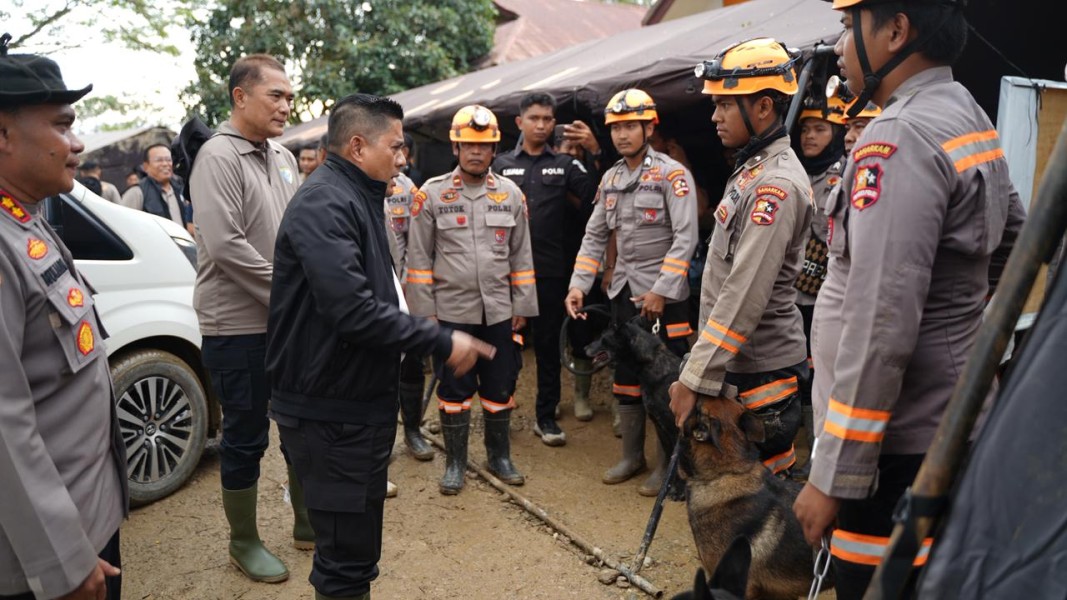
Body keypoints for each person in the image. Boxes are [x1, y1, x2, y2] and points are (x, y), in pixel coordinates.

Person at [791, 1, 1026, 597]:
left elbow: (880, 321)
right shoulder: (965, 113)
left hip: (894, 452)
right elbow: (1015, 235)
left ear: (896, 30)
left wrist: (833, 477)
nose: (841, 46)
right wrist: (956, 317)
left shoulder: (897, 136)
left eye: (849, 28)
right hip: (946, 423)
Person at [267, 93, 492, 600]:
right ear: (357, 145)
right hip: (331, 411)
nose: (404, 157)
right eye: (396, 146)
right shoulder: (326, 202)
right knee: (344, 564)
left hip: (351, 403)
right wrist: (438, 337)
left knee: (357, 554)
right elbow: (352, 311)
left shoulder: (357, 195)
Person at [0, 43, 128, 600]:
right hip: (45, 560)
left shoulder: (24, 218)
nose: (77, 144)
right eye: (62, 125)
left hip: (84, 516)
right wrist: (64, 562)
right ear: (3, 135)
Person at [667, 37, 813, 478]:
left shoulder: (776, 186)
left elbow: (743, 294)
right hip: (739, 366)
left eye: (725, 105)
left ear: (764, 107)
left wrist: (694, 378)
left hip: (761, 373)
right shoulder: (751, 169)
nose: (714, 117)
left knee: (761, 496)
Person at [190, 53, 304, 584]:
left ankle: (306, 521)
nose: (287, 104)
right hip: (237, 327)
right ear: (240, 97)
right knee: (246, 435)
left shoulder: (281, 155)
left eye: (289, 95)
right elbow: (226, 246)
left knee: (301, 422)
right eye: (275, 95)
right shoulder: (218, 156)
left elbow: (296, 231)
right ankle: (243, 540)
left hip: (285, 321)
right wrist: (292, 294)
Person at [565, 88, 698, 496]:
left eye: (630, 127)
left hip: (665, 299)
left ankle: (667, 467)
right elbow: (594, 235)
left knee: (665, 381)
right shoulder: (611, 178)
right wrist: (578, 285)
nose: (622, 135)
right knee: (626, 375)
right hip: (623, 293)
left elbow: (686, 237)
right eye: (616, 128)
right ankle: (631, 456)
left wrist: (662, 290)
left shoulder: (673, 175)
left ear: (649, 127)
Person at [406, 104, 538, 495]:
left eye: (483, 146)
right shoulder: (431, 194)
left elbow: (522, 256)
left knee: (500, 387)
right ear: (455, 147)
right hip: (450, 313)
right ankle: (456, 464)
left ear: (494, 148)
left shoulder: (511, 194)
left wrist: (522, 307)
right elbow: (417, 260)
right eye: (468, 145)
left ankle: (500, 457)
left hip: (499, 311)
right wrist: (424, 315)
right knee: (454, 390)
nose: (475, 152)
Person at [494, 92, 597, 444]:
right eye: (534, 118)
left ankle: (545, 417)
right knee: (506, 345)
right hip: (506, 274)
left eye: (547, 119)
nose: (541, 125)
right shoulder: (501, 164)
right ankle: (499, 413)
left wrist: (595, 151)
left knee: (550, 348)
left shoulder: (567, 165)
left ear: (555, 124)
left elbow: (596, 198)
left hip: (551, 272)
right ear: (519, 122)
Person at [791, 90, 849, 478]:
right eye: (806, 129)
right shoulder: (793, 170)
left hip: (827, 295)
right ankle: (795, 448)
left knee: (822, 374)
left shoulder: (844, 172)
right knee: (794, 370)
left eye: (820, 129)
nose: (810, 136)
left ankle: (817, 456)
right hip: (790, 292)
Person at [383, 158, 435, 462]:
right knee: (378, 370)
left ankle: (413, 431)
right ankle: (382, 440)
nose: (399, 158)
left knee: (411, 365)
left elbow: (419, 241)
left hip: (407, 289)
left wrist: (409, 285)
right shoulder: (347, 191)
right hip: (373, 295)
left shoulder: (406, 189)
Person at [121, 143, 194, 236]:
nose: (165, 164)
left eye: (168, 160)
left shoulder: (181, 189)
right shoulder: (137, 193)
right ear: (146, 166)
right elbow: (125, 227)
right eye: (159, 160)